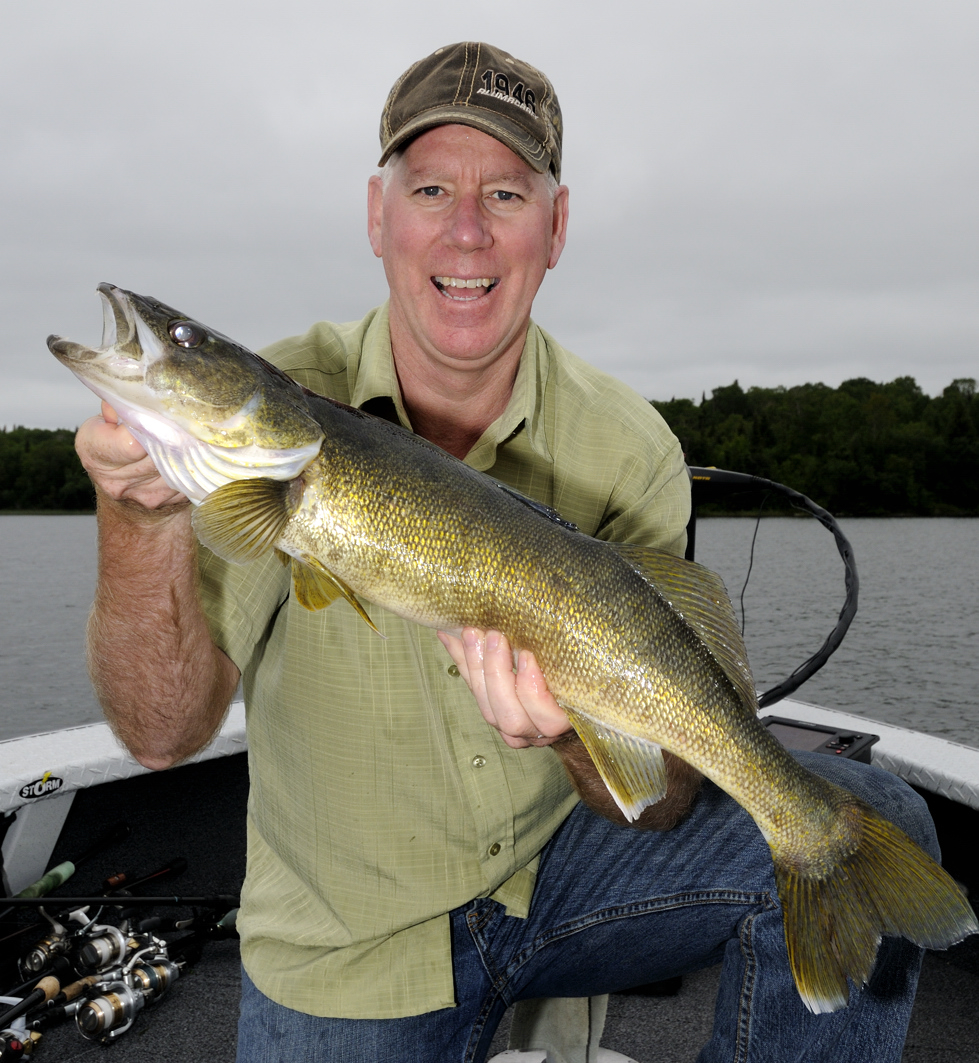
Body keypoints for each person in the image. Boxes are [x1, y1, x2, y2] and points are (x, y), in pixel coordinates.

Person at [75, 42, 937, 1063]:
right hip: (352, 945)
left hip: (562, 876)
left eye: (507, 193)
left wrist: (574, 732)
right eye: (431, 187)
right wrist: (138, 515)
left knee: (869, 815)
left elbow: (657, 802)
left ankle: (818, 857)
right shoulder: (271, 436)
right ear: (377, 215)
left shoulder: (628, 445)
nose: (467, 229)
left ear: (555, 226)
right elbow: (163, 738)